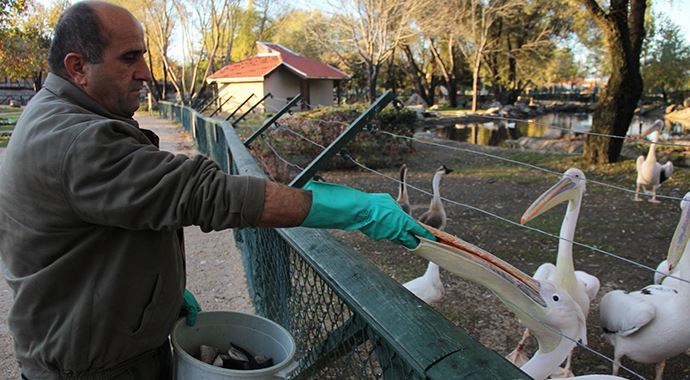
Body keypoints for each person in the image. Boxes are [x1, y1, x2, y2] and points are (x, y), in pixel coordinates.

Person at [0, 1, 434, 379]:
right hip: (93, 367)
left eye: (144, 57)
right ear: (78, 67)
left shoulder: (56, 113)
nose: (145, 73)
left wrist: (157, 295)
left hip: (97, 340)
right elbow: (205, 193)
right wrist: (353, 209)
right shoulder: (78, 140)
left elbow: (113, 220)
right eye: (129, 58)